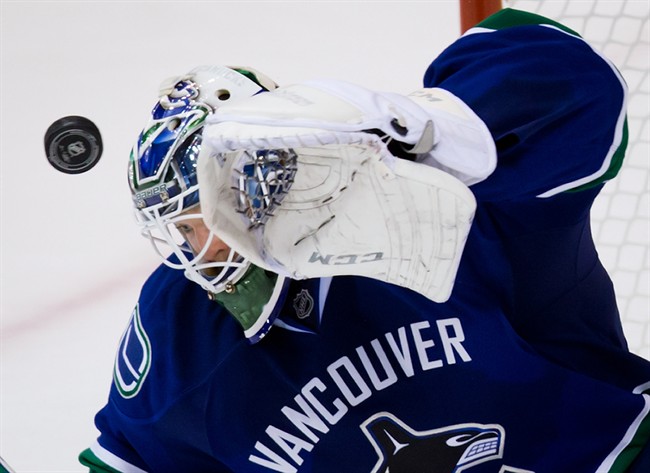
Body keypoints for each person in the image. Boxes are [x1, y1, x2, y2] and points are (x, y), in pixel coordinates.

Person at [80, 8, 650, 472]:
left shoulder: (438, 206)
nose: (204, 247)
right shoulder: (180, 331)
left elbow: (577, 83)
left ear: (268, 173)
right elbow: (134, 460)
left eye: (210, 208)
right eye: (182, 226)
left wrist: (431, 130)